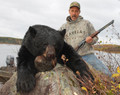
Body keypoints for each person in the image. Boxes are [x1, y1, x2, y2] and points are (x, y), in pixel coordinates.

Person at [59, 1, 111, 76]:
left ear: (79, 12)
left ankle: (115, 85)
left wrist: (91, 40)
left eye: (76, 11)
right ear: (69, 11)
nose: (74, 13)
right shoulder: (63, 27)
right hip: (72, 58)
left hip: (87, 55)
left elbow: (95, 38)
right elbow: (59, 42)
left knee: (106, 73)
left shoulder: (86, 23)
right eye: (72, 11)